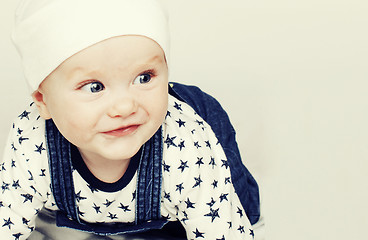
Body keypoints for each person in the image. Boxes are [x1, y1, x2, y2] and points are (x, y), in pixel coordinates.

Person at [0, 0, 261, 239]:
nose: (125, 106)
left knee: (231, 199)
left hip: (186, 180)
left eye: (144, 77)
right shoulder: (31, 142)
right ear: (44, 102)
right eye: (94, 87)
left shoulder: (185, 144)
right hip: (82, 203)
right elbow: (7, 220)